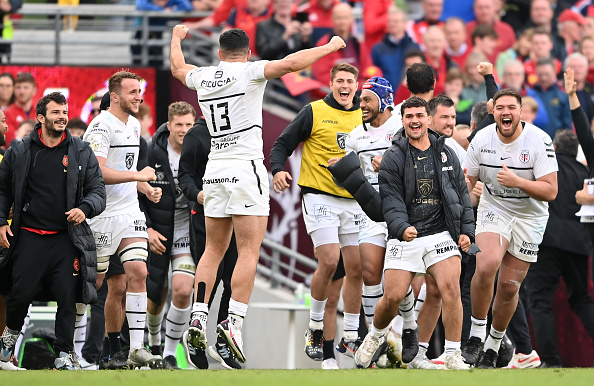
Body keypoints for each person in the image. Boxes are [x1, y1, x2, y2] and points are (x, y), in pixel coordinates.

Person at [170, 25, 347, 363]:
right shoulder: (251, 71)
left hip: (215, 170)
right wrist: (329, 47)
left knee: (212, 250)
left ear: (219, 53)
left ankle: (198, 316)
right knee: (249, 250)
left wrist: (177, 39)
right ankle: (233, 323)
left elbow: (178, 68)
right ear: (248, 53)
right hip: (245, 168)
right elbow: (291, 64)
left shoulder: (204, 77)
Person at [353, 96, 474, 370]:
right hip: (405, 233)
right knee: (393, 296)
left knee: (450, 289)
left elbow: (461, 195)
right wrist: (401, 227)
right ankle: (375, 336)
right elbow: (391, 200)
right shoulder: (394, 156)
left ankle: (453, 354)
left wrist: (467, 230)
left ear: (428, 119)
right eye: (409, 117)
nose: (415, 121)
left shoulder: (446, 152)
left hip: (440, 233)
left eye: (420, 115)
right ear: (403, 120)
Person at [0, 92, 106, 370]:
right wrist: (1, 221)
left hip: (66, 238)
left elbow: (98, 190)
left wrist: (85, 208)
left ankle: (63, 354)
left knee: (67, 297)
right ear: (40, 118)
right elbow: (3, 190)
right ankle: (8, 341)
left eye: (64, 111)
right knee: (19, 294)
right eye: (56, 112)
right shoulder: (20, 150)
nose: (62, 117)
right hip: (29, 236)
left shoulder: (81, 150)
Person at [270, 62, 363, 362]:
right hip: (319, 197)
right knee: (330, 259)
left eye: (350, 80)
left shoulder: (365, 116)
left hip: (354, 200)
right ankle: (314, 326)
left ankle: (350, 335)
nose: (344, 85)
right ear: (331, 83)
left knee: (357, 267)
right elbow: (282, 143)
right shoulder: (313, 111)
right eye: (339, 80)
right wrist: (277, 170)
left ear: (356, 85)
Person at [462, 88, 558, 368]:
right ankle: (477, 336)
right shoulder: (482, 138)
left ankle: (494, 345)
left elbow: (551, 191)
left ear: (520, 112)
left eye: (511, 108)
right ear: (493, 112)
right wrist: (461, 201)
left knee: (508, 286)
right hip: (494, 211)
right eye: (500, 107)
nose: (506, 112)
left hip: (530, 218)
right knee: (487, 262)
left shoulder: (539, 140)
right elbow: (467, 183)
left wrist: (518, 182)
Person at [83, 71, 163, 368]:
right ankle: (75, 350)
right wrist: (137, 176)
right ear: (114, 96)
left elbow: (129, 171)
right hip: (101, 215)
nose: (138, 97)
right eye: (132, 92)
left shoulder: (135, 125)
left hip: (130, 213)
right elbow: (98, 172)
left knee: (138, 273)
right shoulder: (100, 126)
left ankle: (136, 348)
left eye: (139, 91)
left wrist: (144, 188)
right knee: (96, 285)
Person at [527, 68, 594, 368]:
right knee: (581, 300)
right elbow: (586, 135)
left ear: (553, 149)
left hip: (548, 242)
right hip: (579, 245)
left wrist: (572, 96)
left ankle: (551, 361)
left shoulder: (545, 168)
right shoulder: (585, 170)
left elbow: (584, 132)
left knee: (539, 300)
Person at [178, 116, 241, 370]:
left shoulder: (240, 131)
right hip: (205, 215)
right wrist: (197, 194)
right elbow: (185, 177)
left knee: (233, 279)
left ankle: (223, 341)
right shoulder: (197, 135)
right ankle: (196, 338)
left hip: (237, 213)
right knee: (211, 276)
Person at [141, 102, 195, 370]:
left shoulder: (200, 151)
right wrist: (148, 229)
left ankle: (171, 353)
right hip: (158, 233)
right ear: (169, 125)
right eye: (179, 125)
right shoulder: (152, 152)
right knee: (154, 296)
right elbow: (137, 195)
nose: (184, 130)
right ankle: (154, 344)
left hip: (186, 232)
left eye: (188, 124)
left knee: (183, 290)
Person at [371, 8, 420, 92]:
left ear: (404, 24)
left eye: (396, 21)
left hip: (409, 95)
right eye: (390, 21)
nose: (392, 24)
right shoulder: (378, 49)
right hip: (386, 96)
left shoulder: (414, 48)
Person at [4, 73, 36, 147]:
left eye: (26, 87)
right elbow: (7, 142)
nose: (22, 91)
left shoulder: (40, 112)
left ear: (34, 90)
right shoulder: (6, 113)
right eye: (18, 87)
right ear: (14, 89)